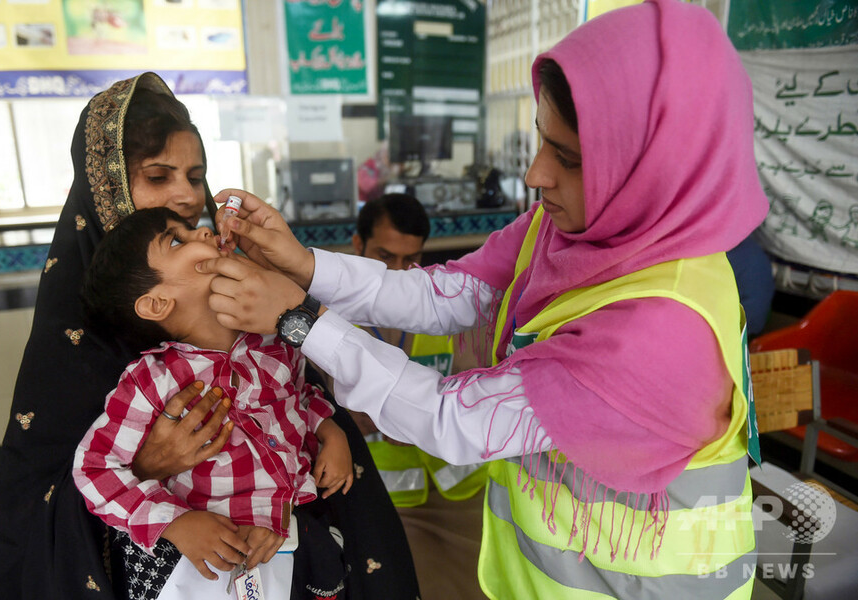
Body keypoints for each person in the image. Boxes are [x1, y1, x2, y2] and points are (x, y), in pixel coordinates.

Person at [196, 1, 767, 597]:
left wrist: (297, 318)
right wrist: (304, 265)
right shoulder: (582, 229)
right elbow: (446, 293)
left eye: (568, 158)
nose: (536, 175)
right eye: (542, 141)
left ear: (651, 166)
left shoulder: (658, 333)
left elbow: (450, 419)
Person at [0, 73, 420, 600]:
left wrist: (327, 433)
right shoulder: (75, 338)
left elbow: (298, 403)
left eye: (196, 176)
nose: (188, 198)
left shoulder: (244, 307)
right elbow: (44, 500)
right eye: (159, 176)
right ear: (107, 189)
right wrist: (149, 466)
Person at [74, 207, 351, 598]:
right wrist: (175, 523)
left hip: (288, 540)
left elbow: (302, 396)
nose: (202, 232)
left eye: (191, 228)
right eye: (176, 240)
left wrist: (331, 432)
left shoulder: (274, 341)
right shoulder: (152, 380)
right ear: (157, 304)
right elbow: (94, 469)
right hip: (203, 567)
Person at [350, 194, 486, 599]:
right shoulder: (329, 320)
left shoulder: (446, 307)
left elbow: (484, 387)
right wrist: (353, 417)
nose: (396, 272)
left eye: (409, 260)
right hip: (392, 500)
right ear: (357, 246)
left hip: (465, 489)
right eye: (384, 256)